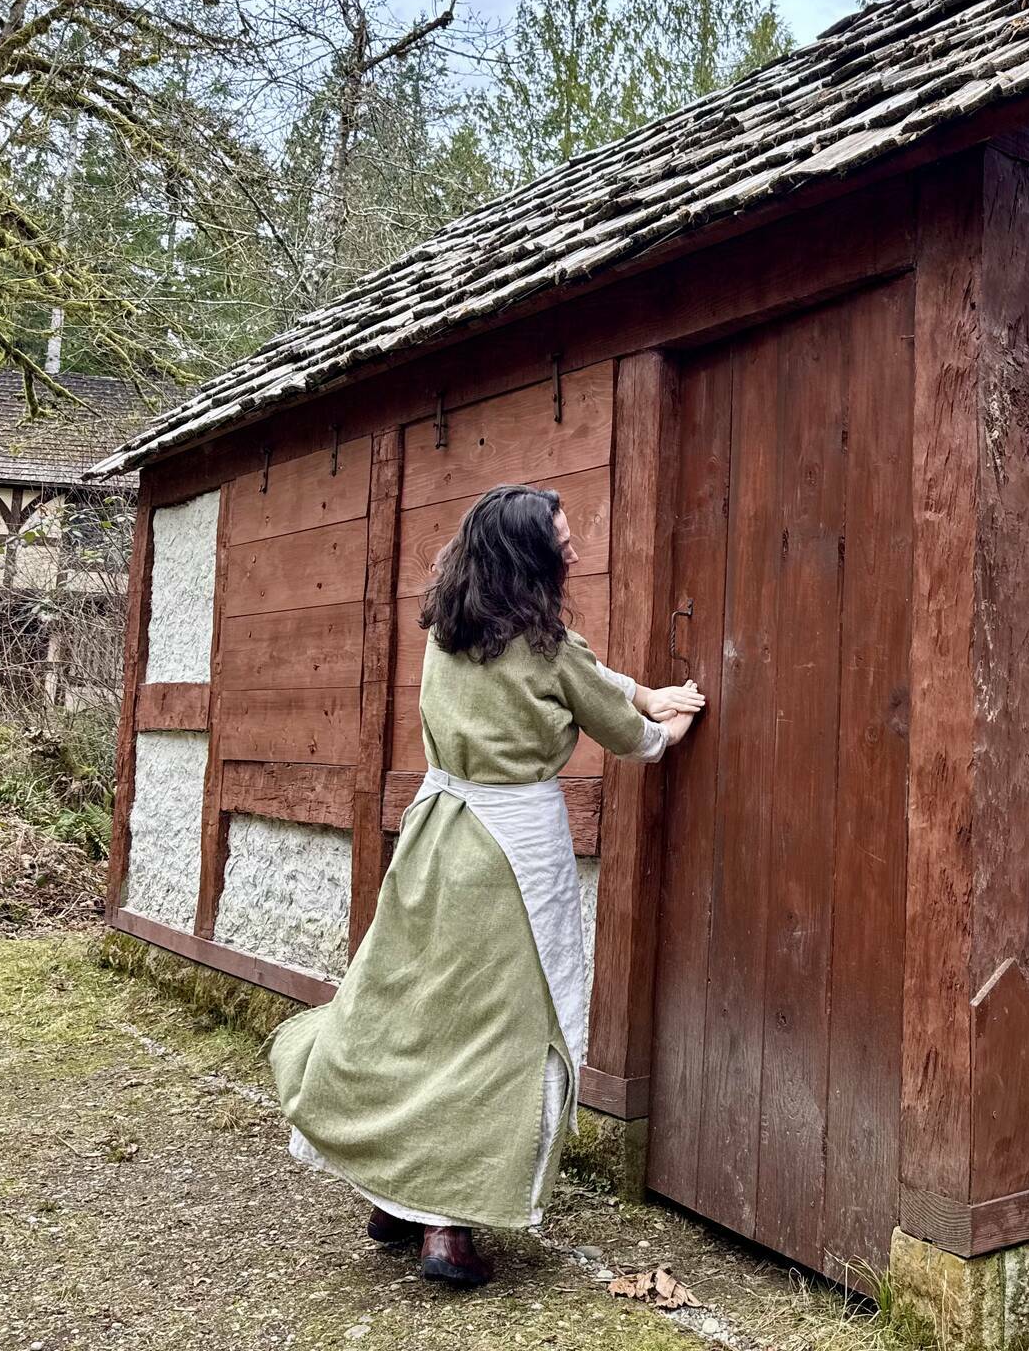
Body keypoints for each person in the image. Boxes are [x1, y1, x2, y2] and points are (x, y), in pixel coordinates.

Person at [269, 484, 703, 1286]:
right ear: (529, 557)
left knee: (416, 1009)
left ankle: (393, 1197)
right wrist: (676, 716)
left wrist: (637, 686)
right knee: (505, 1030)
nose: (573, 551)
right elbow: (633, 738)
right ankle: (451, 1227)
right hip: (514, 853)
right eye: (561, 543)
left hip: (437, 837)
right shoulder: (548, 648)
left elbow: (584, 672)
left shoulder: (451, 629)